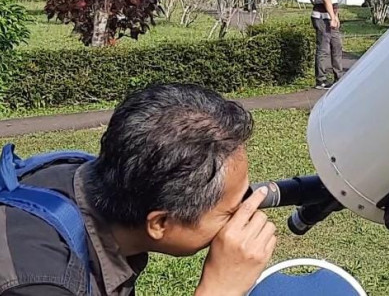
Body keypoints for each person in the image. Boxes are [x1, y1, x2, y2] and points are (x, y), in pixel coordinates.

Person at [0, 84, 277, 296]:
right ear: (159, 222)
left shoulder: (86, 174)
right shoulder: (41, 282)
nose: (245, 211)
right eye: (231, 210)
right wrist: (219, 289)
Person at [312, 0, 343, 90]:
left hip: (330, 17)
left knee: (337, 46)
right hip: (322, 18)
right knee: (324, 49)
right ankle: (321, 80)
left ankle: (339, 76)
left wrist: (335, 16)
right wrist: (332, 16)